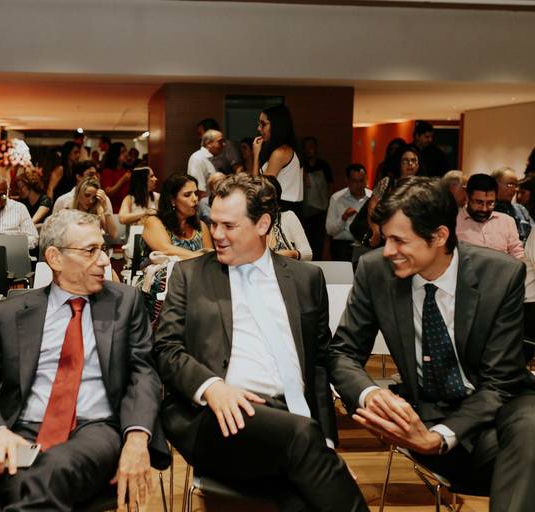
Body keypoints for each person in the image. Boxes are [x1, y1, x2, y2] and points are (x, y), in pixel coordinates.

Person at [154, 174, 368, 512]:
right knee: (303, 441)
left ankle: (315, 462)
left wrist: (325, 444)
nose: (216, 234)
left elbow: (318, 363)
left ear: (263, 224)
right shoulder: (190, 275)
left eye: (229, 225)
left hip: (291, 420)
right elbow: (166, 348)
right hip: (216, 416)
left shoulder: (305, 278)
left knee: (301, 500)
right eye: (213, 223)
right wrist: (212, 387)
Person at [327, 176, 535, 512]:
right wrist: (371, 394)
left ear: (439, 236)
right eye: (386, 237)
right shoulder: (375, 270)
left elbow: (501, 382)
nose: (387, 251)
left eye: (399, 240)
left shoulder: (501, 275)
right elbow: (343, 353)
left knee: (530, 427)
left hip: (500, 405)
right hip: (427, 410)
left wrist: (439, 437)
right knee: (521, 462)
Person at [0, 209, 169, 511]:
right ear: (55, 258)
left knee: (50, 471)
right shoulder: (11, 313)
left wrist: (136, 437)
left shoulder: (124, 302)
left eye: (103, 249)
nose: (104, 260)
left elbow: (143, 373)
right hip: (24, 432)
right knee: (29, 483)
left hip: (97, 429)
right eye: (91, 251)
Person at [361, 144, 423, 249]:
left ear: (418, 164)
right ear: (399, 163)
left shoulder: (423, 187)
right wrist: (376, 231)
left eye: (413, 160)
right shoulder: (387, 183)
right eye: (406, 160)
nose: (410, 164)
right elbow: (372, 208)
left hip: (413, 240)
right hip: (385, 239)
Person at [141, 174, 213, 260]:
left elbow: (211, 259)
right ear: (172, 200)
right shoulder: (154, 221)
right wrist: (202, 258)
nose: (195, 199)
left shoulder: (201, 226)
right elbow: (166, 250)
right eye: (187, 195)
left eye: (196, 193)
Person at [252, 104, 303, 217]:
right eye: (259, 124)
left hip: (283, 210)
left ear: (277, 125)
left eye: (263, 124)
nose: (259, 128)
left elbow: (259, 189)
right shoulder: (282, 150)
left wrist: (256, 155)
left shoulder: (281, 152)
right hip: (282, 208)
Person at [456, 173, 523, 259]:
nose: (484, 209)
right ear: (467, 197)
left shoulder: (507, 221)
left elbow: (518, 254)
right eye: (479, 202)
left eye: (490, 203)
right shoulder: (453, 221)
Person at [326, 164, 372, 262]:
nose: (359, 185)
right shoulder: (336, 198)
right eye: (355, 181)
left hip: (366, 245)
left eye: (361, 181)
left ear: (366, 180)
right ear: (347, 181)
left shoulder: (372, 198)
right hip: (342, 245)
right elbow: (330, 230)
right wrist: (344, 217)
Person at [265, 176, 313, 261]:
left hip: (288, 268)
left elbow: (308, 254)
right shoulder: (250, 222)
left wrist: (293, 254)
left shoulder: (288, 217)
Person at [300, 136, 332, 260]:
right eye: (306, 147)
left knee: (319, 242)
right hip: (304, 211)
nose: (308, 150)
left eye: (311, 147)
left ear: (316, 148)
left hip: (321, 211)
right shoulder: (300, 166)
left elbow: (330, 185)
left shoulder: (323, 165)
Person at [187, 129, 225, 220]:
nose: (223, 144)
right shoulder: (198, 158)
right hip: (204, 211)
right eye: (220, 142)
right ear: (209, 143)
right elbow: (199, 190)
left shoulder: (212, 159)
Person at [492, 167, 533, 243]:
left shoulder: (521, 209)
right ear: (495, 185)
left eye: (516, 185)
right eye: (510, 184)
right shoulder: (486, 210)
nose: (515, 189)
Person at [100, 142, 130, 213]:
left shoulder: (126, 170)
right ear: (115, 155)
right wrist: (123, 179)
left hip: (126, 209)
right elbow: (108, 193)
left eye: (126, 151)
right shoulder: (107, 172)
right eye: (122, 152)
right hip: (114, 211)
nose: (126, 154)